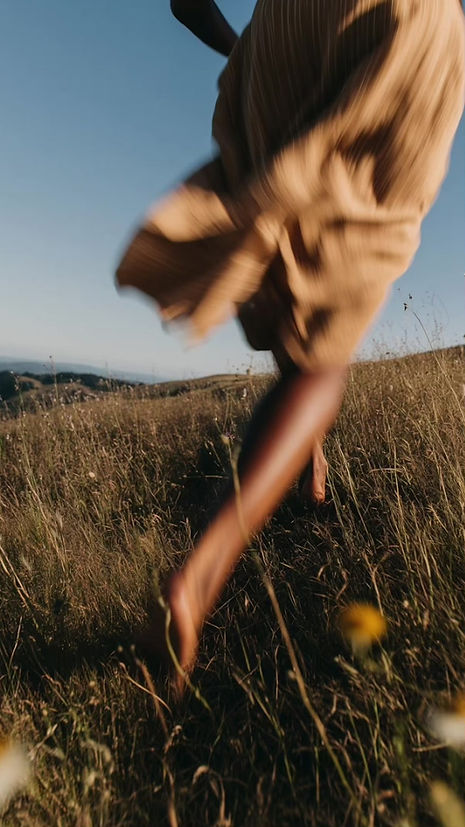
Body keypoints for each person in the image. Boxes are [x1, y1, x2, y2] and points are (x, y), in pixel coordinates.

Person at [116, 0, 465, 691]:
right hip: (403, 18)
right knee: (329, 331)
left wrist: (248, 50)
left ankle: (310, 467)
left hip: (284, 26)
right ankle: (199, 575)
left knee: (286, 254)